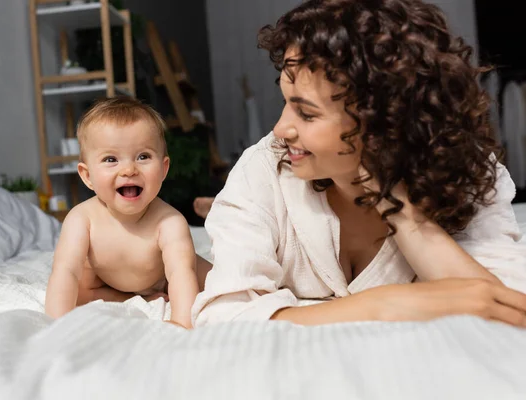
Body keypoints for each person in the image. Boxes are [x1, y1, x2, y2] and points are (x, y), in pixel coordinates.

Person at [192, 0, 526, 328]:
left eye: (306, 113)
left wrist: (403, 214)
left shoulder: (467, 171)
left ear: (381, 121)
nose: (280, 129)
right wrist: (380, 305)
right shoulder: (266, 166)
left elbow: (507, 305)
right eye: (286, 103)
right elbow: (224, 316)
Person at [45, 97, 209, 328]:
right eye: (111, 159)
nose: (129, 169)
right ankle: (128, 298)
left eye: (143, 156)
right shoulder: (82, 219)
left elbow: (181, 273)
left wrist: (181, 323)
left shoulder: (169, 221)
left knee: (215, 280)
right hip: (106, 282)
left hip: (161, 277)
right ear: (87, 176)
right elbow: (66, 270)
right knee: (74, 288)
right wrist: (55, 324)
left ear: (163, 169)